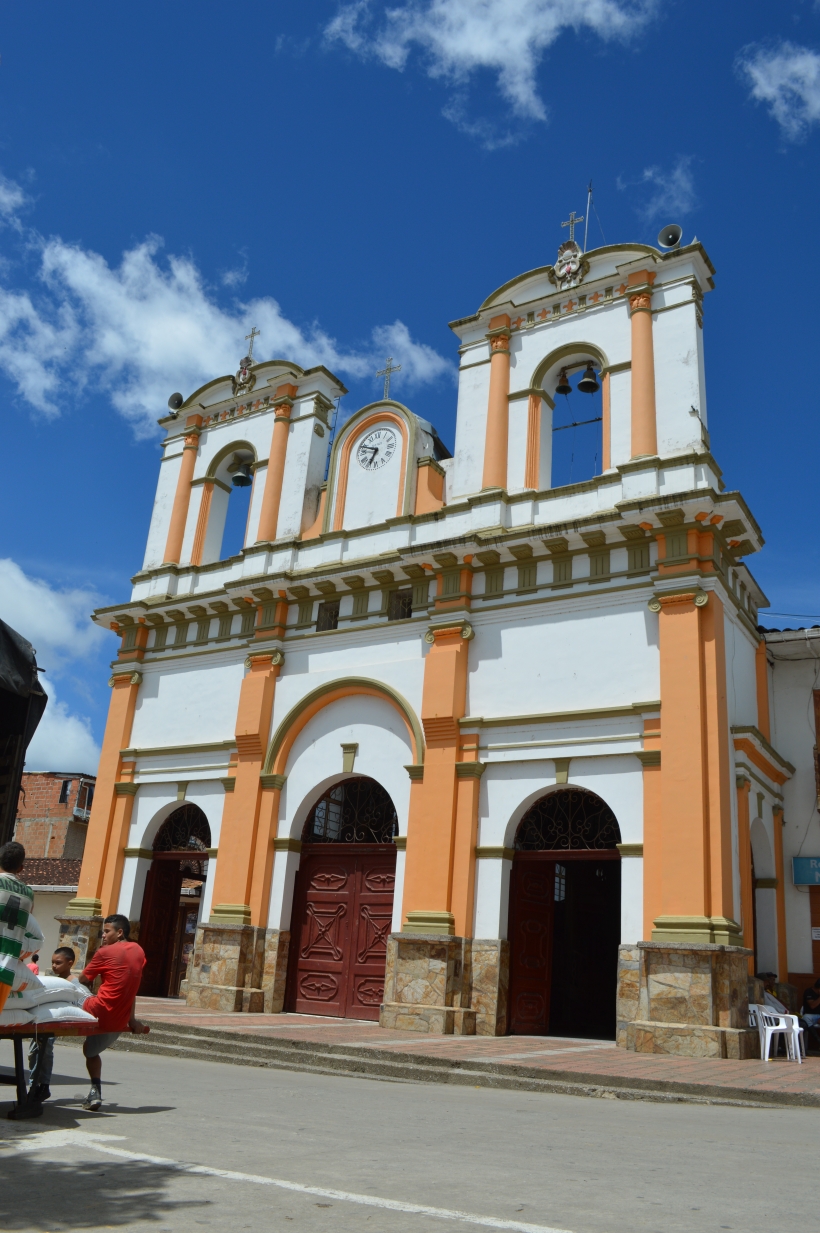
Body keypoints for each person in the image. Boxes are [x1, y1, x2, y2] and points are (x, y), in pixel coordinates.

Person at [79, 914, 149, 1112]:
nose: (103, 935)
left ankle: (93, 1091)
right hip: (120, 1019)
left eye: (106, 931)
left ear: (119, 933)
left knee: (69, 988)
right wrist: (132, 1019)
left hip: (99, 1011)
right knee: (91, 1051)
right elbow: (131, 988)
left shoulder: (104, 952)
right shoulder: (139, 951)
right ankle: (95, 1093)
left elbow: (82, 979)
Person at [27, 946, 80, 1103]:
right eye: (52, 962)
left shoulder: (74, 983)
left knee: (45, 1051)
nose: (54, 966)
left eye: (58, 962)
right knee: (34, 1052)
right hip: (42, 1021)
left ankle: (43, 1085)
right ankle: (35, 1084)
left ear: (70, 963)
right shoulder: (52, 981)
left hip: (54, 1023)